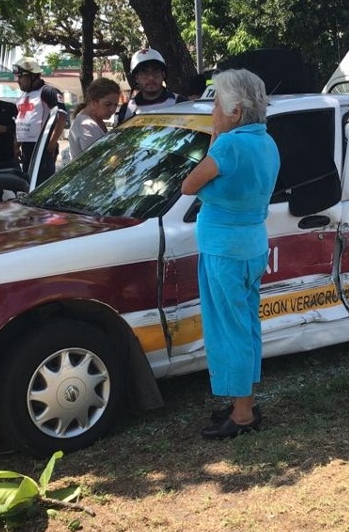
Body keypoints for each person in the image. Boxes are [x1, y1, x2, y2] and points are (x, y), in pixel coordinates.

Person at [180, 69, 279, 440]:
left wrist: (216, 139)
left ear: (235, 112)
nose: (213, 112)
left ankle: (241, 415)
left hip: (224, 248)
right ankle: (244, 402)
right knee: (246, 327)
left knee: (229, 330)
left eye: (217, 104)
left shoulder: (229, 145)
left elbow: (189, 184)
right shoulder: (266, 141)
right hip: (252, 244)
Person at [13, 56, 65, 186]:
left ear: (33, 76)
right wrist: (17, 144)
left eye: (20, 77)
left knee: (42, 184)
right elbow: (22, 120)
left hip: (42, 145)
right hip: (27, 146)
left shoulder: (48, 91)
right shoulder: (24, 95)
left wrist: (52, 142)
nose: (17, 81)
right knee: (28, 183)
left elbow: (62, 116)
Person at [117, 48, 188, 125]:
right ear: (136, 78)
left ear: (163, 74)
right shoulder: (127, 110)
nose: (151, 77)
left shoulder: (180, 103)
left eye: (156, 71)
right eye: (144, 72)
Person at [67, 77, 121, 161]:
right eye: (107, 104)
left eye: (115, 104)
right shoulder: (86, 125)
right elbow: (98, 159)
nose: (113, 110)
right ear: (93, 102)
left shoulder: (96, 120)